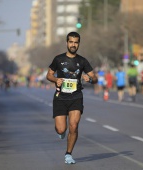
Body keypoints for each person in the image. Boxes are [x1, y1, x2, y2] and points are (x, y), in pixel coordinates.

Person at [46, 32, 98, 164]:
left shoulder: (82, 61)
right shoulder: (58, 59)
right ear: (67, 43)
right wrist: (56, 79)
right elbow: (49, 75)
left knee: (74, 126)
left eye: (76, 42)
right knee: (61, 129)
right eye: (71, 42)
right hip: (60, 98)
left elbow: (95, 78)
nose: (73, 44)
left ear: (78, 44)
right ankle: (61, 132)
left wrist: (90, 79)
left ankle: (68, 153)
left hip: (76, 97)